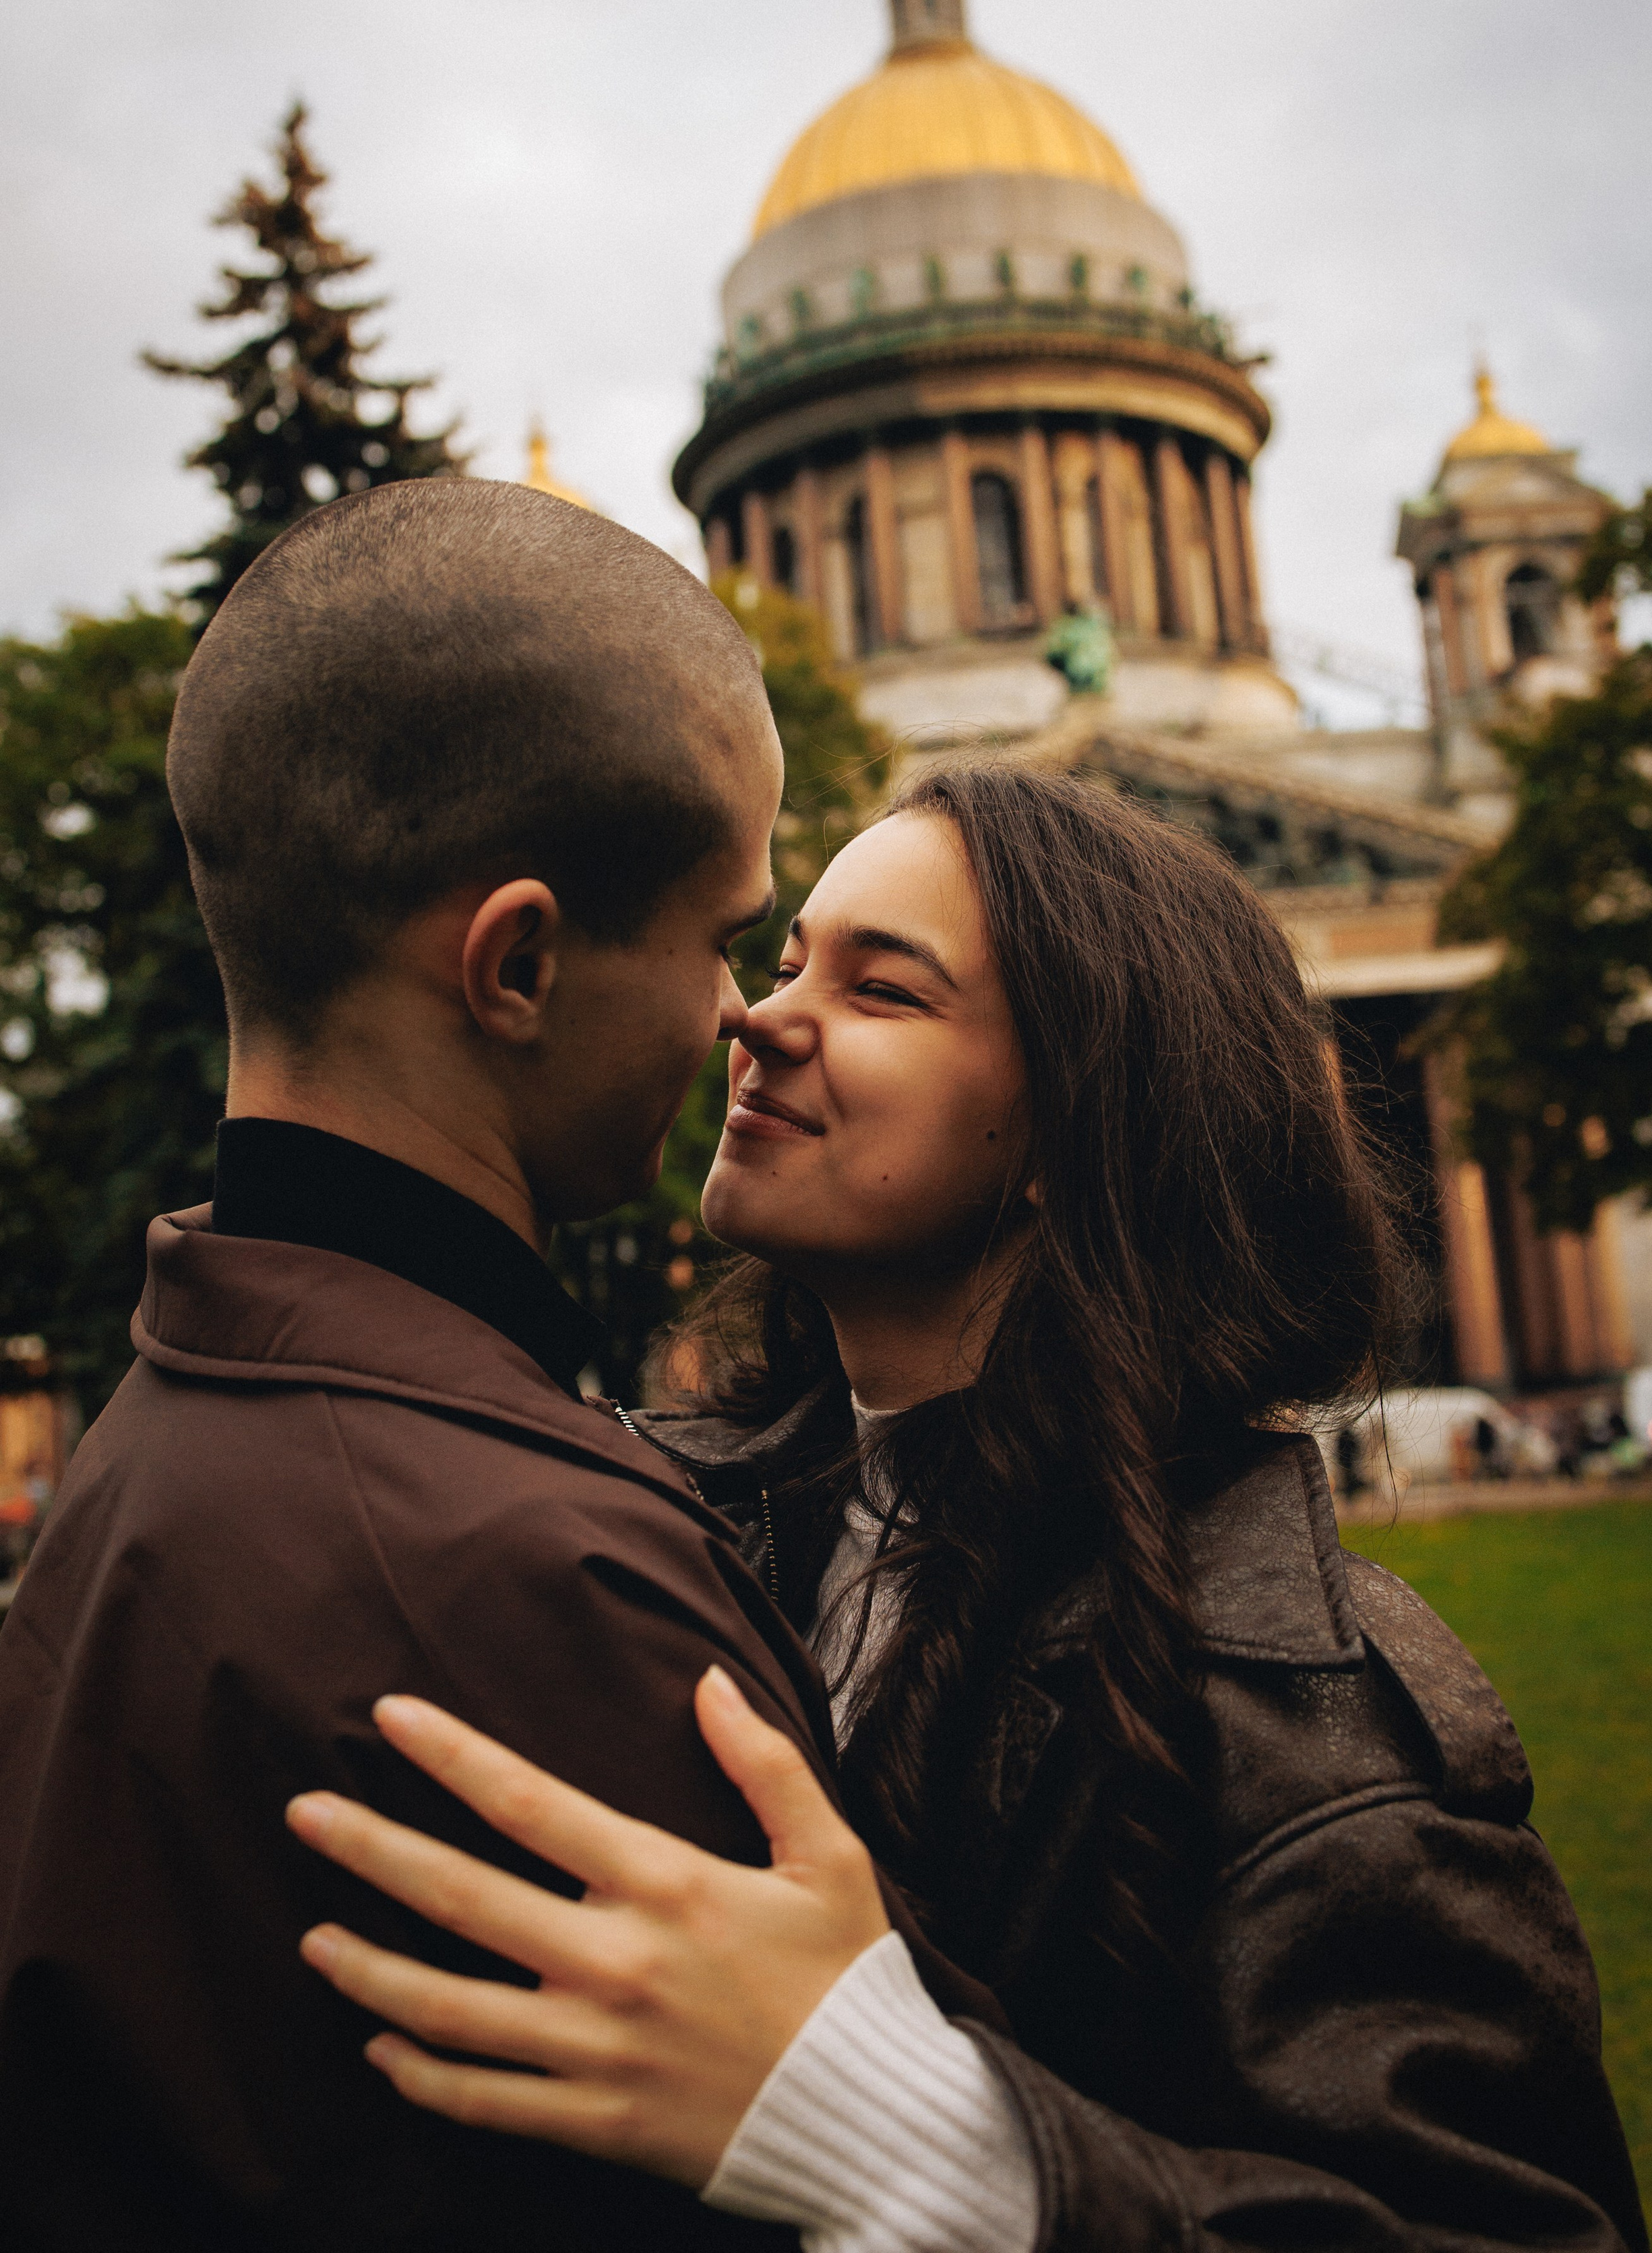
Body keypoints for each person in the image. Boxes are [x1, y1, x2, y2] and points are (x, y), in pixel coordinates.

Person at [290, 763, 1647, 2253]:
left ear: (1075, 1132)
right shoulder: (647, 1524)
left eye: (882, 991)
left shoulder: (1314, 1734)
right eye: (791, 955)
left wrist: (917, 2142)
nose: (758, 1016)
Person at [0, 478, 991, 2252]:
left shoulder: (153, 1452)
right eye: (717, 938)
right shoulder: (536, 1581)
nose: (739, 1018)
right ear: (518, 964)